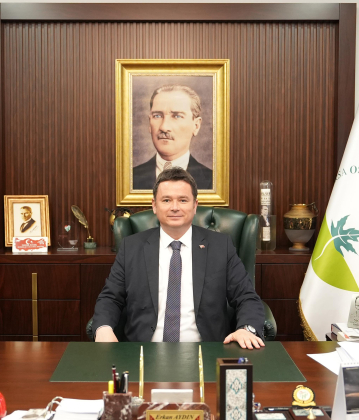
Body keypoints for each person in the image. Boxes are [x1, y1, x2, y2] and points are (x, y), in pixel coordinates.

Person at [94, 167, 265, 349]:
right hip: (142, 353)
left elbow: (246, 297)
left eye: (183, 200)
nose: (175, 207)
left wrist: (246, 329)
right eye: (166, 200)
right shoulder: (132, 247)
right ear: (154, 205)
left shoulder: (220, 247)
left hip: (207, 353)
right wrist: (103, 328)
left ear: (195, 205)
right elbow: (110, 298)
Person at [133, 85, 213, 190]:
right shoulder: (129, 180)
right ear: (149, 123)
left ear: (196, 126)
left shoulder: (214, 182)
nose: (164, 127)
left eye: (177, 116)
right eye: (157, 116)